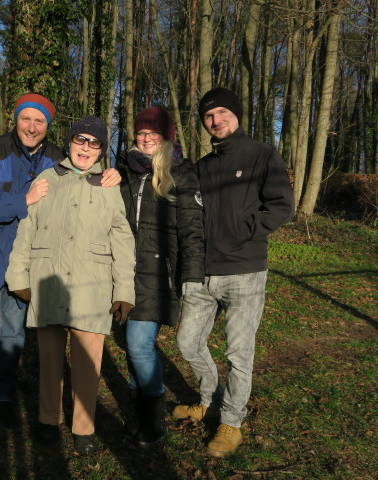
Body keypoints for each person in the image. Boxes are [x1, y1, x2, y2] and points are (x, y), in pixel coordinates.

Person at [0, 94, 121, 438]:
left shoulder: (56, 159)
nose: (32, 127)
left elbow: (84, 177)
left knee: (11, 333)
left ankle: (2, 396)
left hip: (25, 263)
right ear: (15, 120)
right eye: (26, 119)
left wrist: (110, 174)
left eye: (40, 121)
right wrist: (24, 199)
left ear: (49, 127)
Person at [173, 87, 294, 457]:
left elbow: (281, 205)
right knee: (187, 342)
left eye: (223, 113)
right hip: (202, 273)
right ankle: (209, 399)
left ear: (236, 115)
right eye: (209, 116)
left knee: (239, 353)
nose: (216, 120)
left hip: (244, 270)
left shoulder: (261, 155)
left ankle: (231, 422)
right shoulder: (203, 166)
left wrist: (245, 231)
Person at [5, 116, 135, 455]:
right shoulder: (47, 178)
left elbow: (123, 240)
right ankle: (48, 420)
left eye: (94, 144)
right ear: (70, 142)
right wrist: (17, 275)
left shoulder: (110, 186)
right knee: (49, 361)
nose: (86, 148)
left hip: (93, 286)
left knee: (88, 364)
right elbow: (26, 229)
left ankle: (83, 428)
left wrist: (124, 290)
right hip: (49, 281)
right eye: (81, 140)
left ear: (101, 151)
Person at [116, 106, 205, 445]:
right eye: (141, 132)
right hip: (123, 273)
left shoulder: (181, 172)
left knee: (139, 345)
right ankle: (140, 414)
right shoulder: (125, 171)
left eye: (154, 132)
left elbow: (193, 230)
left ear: (166, 136)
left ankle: (153, 418)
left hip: (158, 274)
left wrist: (191, 279)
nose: (147, 137)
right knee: (128, 345)